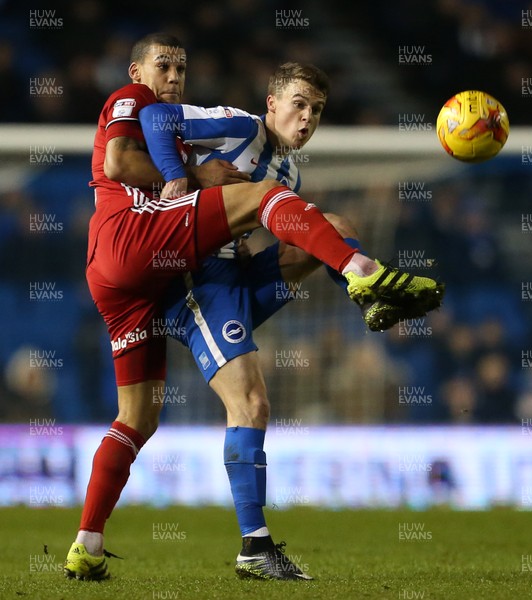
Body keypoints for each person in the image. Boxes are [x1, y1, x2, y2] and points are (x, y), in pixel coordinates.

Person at [63, 32, 444, 582]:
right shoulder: (161, 106)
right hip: (174, 268)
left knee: (331, 228)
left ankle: (87, 543)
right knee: (250, 398)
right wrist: (186, 176)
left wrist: (242, 239)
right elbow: (136, 149)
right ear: (271, 104)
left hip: (178, 275)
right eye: (163, 66)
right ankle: (255, 547)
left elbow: (253, 222)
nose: (173, 78)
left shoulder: (288, 172)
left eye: (316, 110)